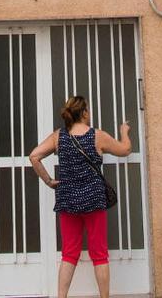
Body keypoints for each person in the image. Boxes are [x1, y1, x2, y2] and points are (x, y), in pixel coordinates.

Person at [29, 96, 132, 298]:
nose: (90, 113)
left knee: (69, 254)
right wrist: (124, 132)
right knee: (99, 254)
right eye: (89, 110)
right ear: (84, 113)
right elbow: (125, 149)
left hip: (68, 201)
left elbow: (34, 156)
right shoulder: (97, 136)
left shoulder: (59, 137)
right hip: (94, 200)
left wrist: (49, 181)